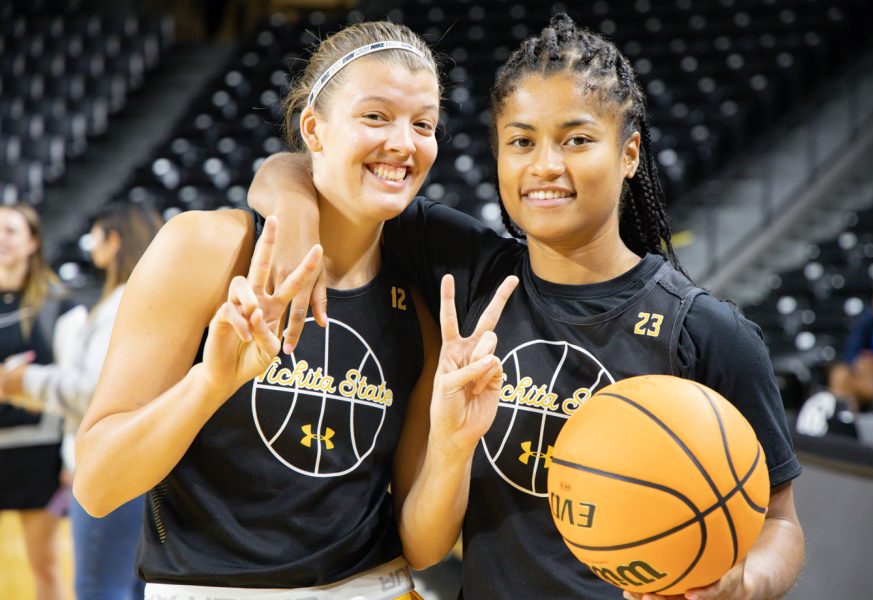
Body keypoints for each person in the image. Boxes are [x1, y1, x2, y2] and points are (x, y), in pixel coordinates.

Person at [250, 14, 805, 600]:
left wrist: (747, 583)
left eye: (577, 139)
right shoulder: (465, 267)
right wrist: (296, 214)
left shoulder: (706, 332)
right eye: (521, 141)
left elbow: (782, 523)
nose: (545, 165)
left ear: (630, 153)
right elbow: (303, 167)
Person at [73, 21, 515, 599]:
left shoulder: (426, 299)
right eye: (376, 116)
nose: (404, 143)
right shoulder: (206, 249)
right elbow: (98, 486)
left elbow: (423, 547)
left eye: (424, 124)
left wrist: (454, 449)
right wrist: (208, 385)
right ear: (314, 128)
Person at [1, 203, 162, 599]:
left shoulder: (106, 305)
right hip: (120, 459)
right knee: (125, 585)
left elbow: (95, 390)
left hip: (101, 461)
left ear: (114, 240)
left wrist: (24, 381)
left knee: (96, 587)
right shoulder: (129, 300)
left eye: (10, 230)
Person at [0, 203, 72, 600]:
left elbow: (73, 385)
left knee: (44, 565)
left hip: (39, 454)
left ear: (32, 242)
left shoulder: (57, 305)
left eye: (11, 230)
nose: (1, 239)